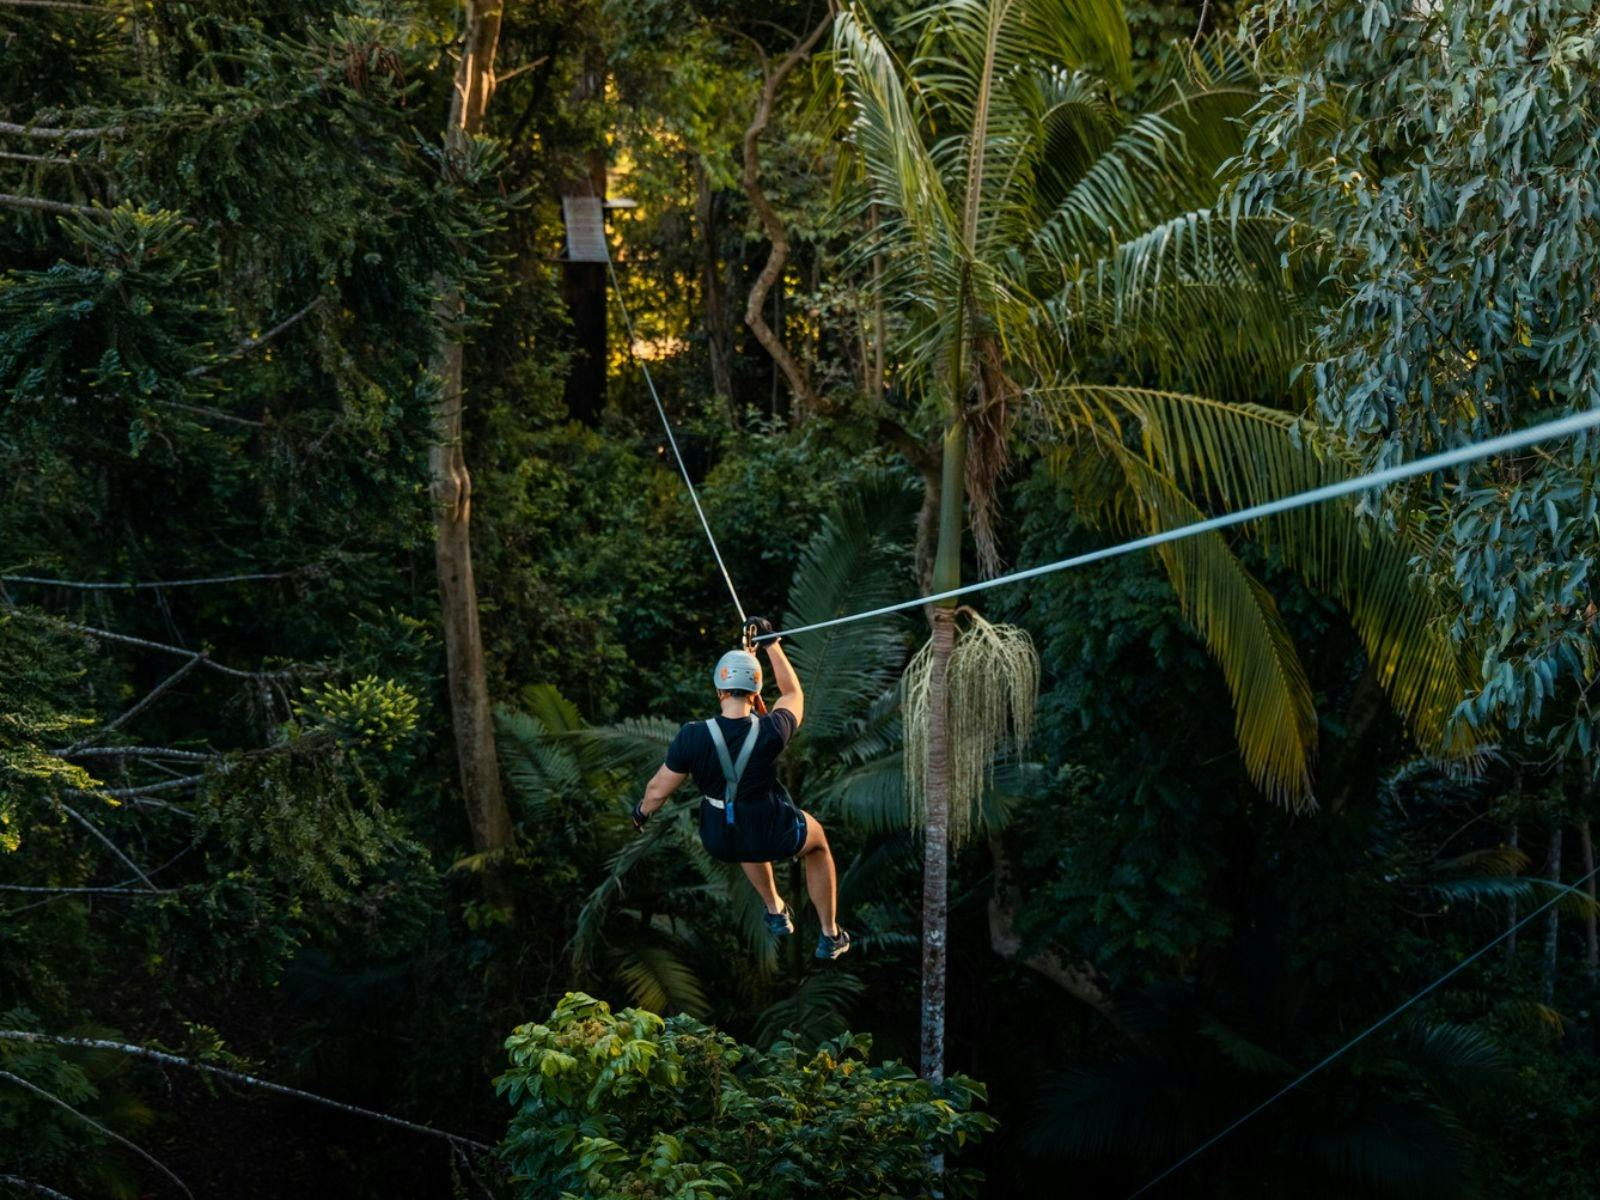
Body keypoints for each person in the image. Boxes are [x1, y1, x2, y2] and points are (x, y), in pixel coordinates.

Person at [632, 617, 849, 960]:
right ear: (756, 693)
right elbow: (793, 694)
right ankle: (829, 934)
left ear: (719, 690)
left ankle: (775, 909)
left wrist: (641, 812)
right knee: (818, 843)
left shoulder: (692, 735)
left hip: (720, 837)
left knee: (743, 833)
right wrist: (771, 644)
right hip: (768, 828)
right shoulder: (771, 730)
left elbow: (658, 790)